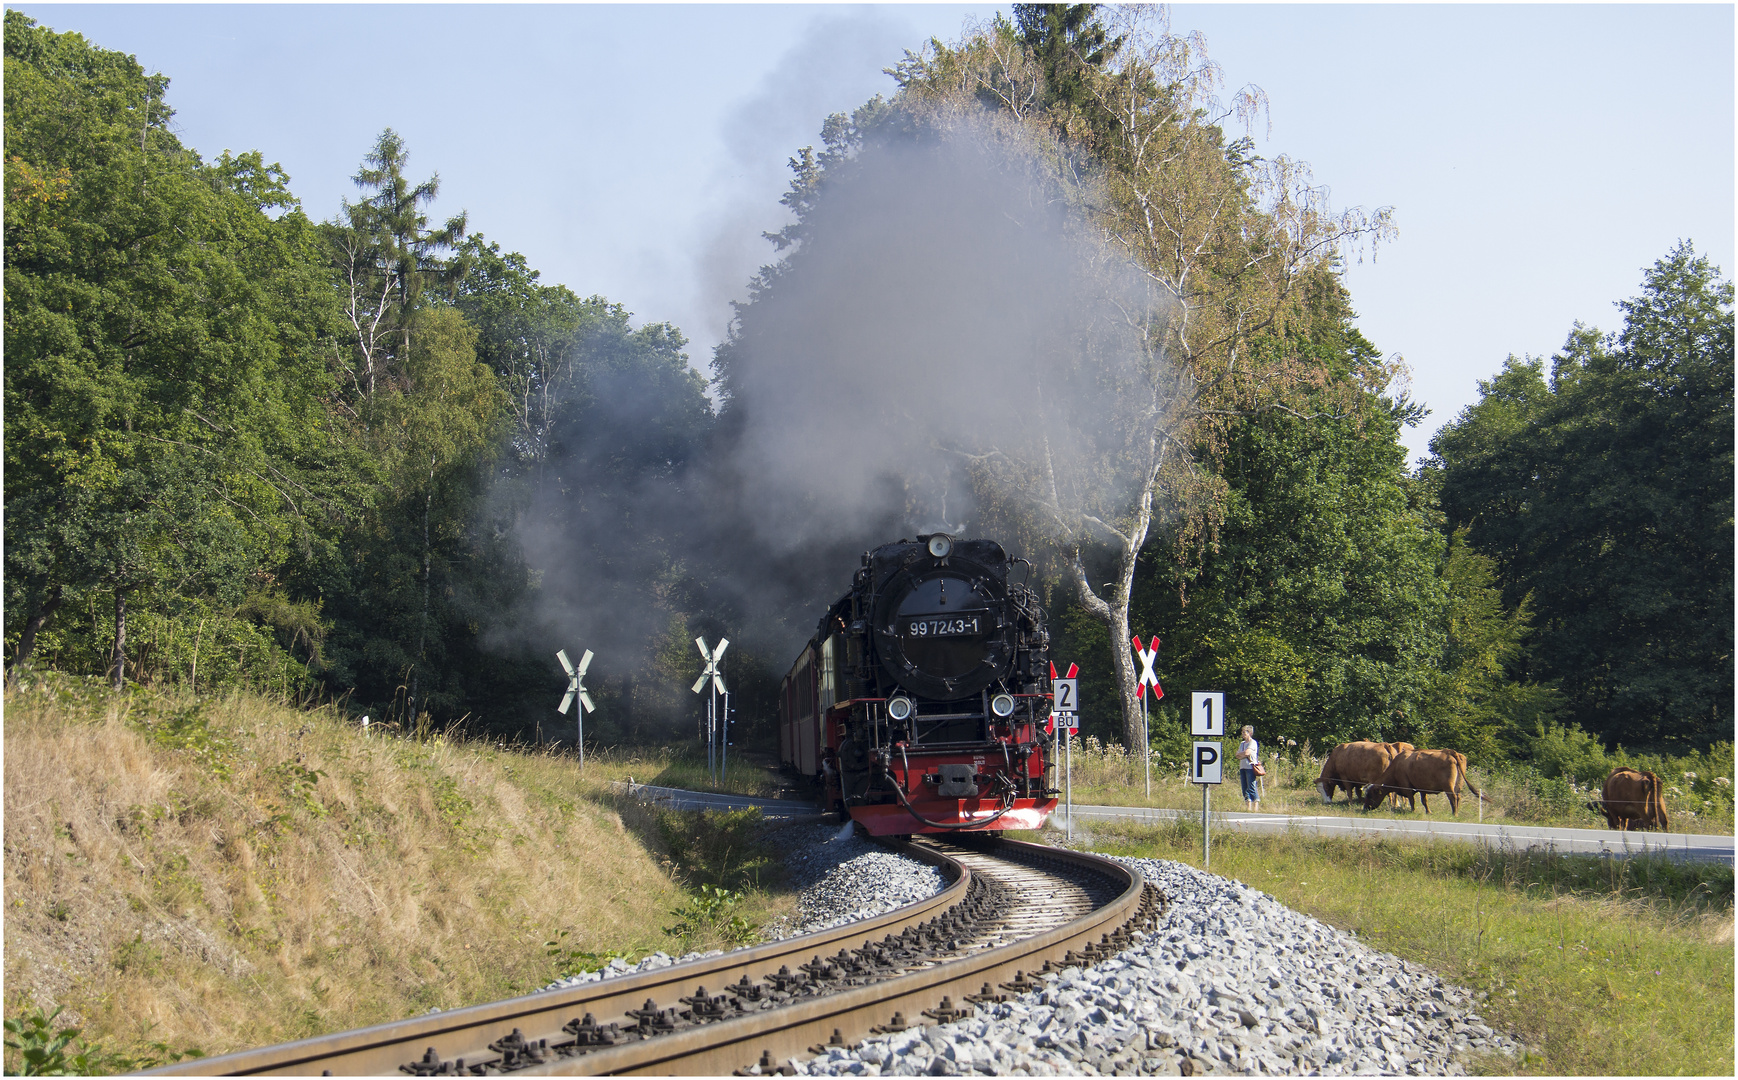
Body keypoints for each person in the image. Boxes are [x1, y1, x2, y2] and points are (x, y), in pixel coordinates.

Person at [1236, 725, 1261, 812]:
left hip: (1250, 767)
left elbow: (1247, 753)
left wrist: (1242, 754)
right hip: (1242, 766)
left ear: (1249, 733)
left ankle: (1256, 805)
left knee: (1251, 786)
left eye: (1244, 732)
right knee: (1244, 787)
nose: (1243, 734)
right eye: (1242, 732)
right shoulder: (1242, 743)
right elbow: (1237, 755)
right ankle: (1248, 806)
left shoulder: (1253, 743)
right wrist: (1242, 755)